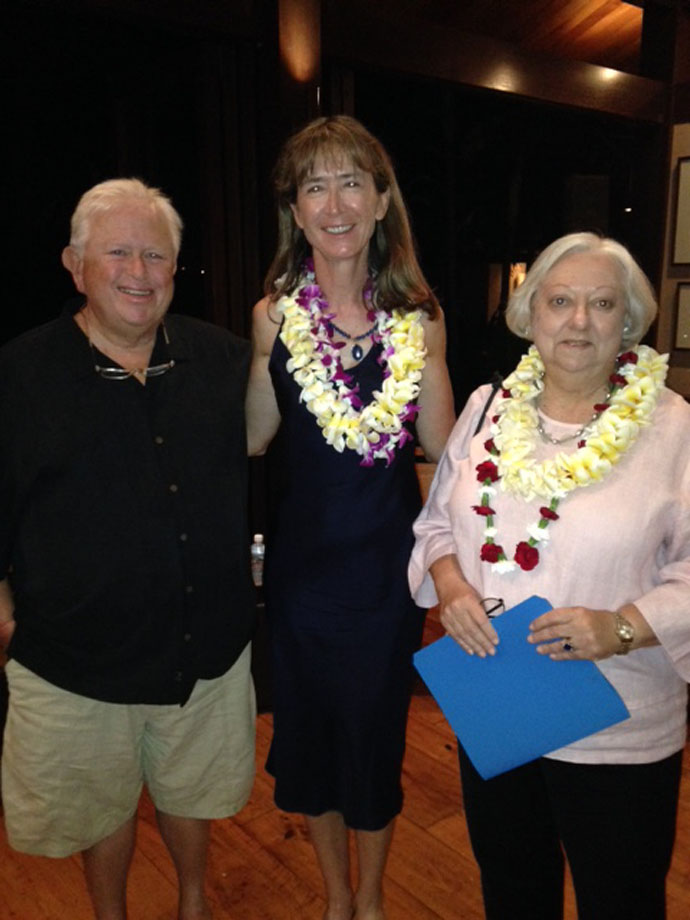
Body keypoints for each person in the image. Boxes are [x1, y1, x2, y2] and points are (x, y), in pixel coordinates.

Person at [409, 231, 690, 920]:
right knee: (512, 891)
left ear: (626, 322)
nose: (578, 320)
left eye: (601, 304)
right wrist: (449, 586)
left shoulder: (673, 427)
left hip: (619, 726)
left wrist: (620, 627)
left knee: (620, 901)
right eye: (560, 301)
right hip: (499, 707)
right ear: (528, 313)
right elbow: (436, 527)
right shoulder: (485, 411)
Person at [0, 178, 256, 920]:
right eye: (118, 253)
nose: (139, 273)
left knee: (192, 791)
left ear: (177, 270)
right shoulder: (19, 375)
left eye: (156, 256)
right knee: (98, 805)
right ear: (75, 265)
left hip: (203, 650)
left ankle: (194, 901)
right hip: (77, 659)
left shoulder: (223, 361)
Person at [246, 115, 455, 920]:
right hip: (301, 581)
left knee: (373, 740)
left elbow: (439, 449)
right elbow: (254, 435)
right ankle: (335, 897)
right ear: (295, 211)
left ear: (380, 198)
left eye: (350, 181)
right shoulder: (273, 316)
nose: (333, 203)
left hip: (383, 580)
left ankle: (371, 898)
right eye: (313, 185)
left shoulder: (421, 318)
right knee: (308, 741)